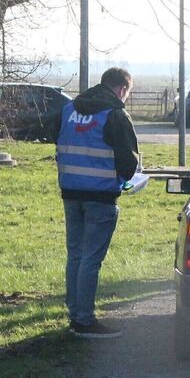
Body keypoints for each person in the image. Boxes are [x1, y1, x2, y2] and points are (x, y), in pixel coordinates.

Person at [47, 67, 140, 338]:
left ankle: (75, 312)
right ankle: (84, 320)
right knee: (90, 259)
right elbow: (128, 163)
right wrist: (125, 178)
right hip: (101, 197)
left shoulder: (68, 110)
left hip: (71, 193)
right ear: (122, 89)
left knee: (75, 255)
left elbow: (56, 138)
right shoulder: (116, 115)